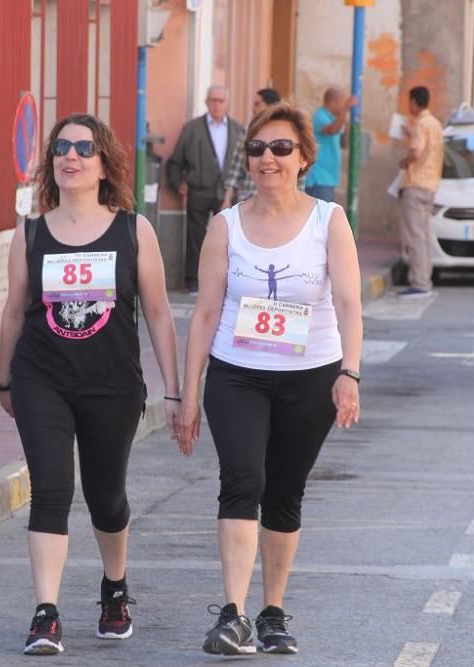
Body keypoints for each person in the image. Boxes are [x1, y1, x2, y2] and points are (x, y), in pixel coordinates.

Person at [177, 102, 363, 656]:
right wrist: (188, 394)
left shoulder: (329, 220)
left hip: (312, 375)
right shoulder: (225, 225)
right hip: (237, 375)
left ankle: (273, 612)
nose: (268, 158)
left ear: (304, 157)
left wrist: (349, 373)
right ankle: (232, 615)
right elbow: (205, 313)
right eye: (257, 148)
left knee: (284, 492)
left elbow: (350, 304)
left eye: (281, 148)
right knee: (242, 480)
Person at [0, 113, 181, 656]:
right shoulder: (29, 232)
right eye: (61, 149)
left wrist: (173, 391)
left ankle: (114, 587)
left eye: (83, 148)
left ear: (104, 163)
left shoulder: (133, 230)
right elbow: (12, 313)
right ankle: (46, 613)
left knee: (107, 498)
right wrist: (5, 378)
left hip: (112, 385)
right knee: (51, 489)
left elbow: (159, 313)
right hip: (41, 379)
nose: (70, 157)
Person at [167, 85, 245, 293]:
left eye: (221, 101)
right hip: (199, 191)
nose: (216, 105)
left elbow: (245, 163)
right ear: (206, 102)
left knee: (230, 239)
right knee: (195, 238)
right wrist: (177, 183)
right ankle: (193, 280)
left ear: (227, 103)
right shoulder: (192, 128)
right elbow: (175, 161)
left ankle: (229, 282)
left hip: (227, 193)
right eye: (213, 100)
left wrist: (239, 186)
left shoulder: (238, 130)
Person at [397, 85, 443, 298]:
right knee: (423, 236)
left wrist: (404, 162)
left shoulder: (420, 125)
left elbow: (415, 153)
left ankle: (419, 282)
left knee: (414, 236)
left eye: (409, 102)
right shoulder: (435, 124)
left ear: (414, 102)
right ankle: (426, 278)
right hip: (431, 185)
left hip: (415, 185)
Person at [220, 88, 296, 210]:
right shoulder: (248, 131)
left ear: (270, 105)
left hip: (282, 202)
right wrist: (227, 200)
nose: (253, 108)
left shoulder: (288, 131)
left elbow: (297, 172)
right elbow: (235, 169)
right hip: (249, 199)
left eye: (257, 104)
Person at [304, 88, 357, 203]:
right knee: (320, 218)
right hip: (318, 179)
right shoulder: (319, 116)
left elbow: (344, 144)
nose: (345, 106)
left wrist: (346, 122)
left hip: (329, 178)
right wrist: (345, 110)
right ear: (332, 102)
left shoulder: (335, 120)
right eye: (343, 102)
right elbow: (332, 130)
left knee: (326, 218)